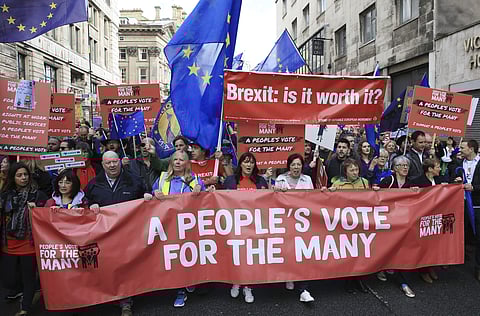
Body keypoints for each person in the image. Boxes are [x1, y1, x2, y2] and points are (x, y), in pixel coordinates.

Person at [147, 150, 213, 308]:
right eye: (174, 159)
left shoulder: (195, 179)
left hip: (188, 225)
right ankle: (180, 290)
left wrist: (205, 191)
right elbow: (152, 197)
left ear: (186, 163)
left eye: (181, 160)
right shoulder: (162, 178)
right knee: (175, 258)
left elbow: (206, 200)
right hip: (169, 225)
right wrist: (153, 193)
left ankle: (188, 281)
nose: (177, 162)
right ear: (171, 162)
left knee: (188, 256)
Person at [85, 151, 145, 316]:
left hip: (128, 233)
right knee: (109, 267)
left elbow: (145, 199)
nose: (112, 165)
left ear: (120, 162)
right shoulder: (93, 184)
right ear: (103, 164)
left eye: (114, 162)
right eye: (108, 163)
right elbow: (84, 205)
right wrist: (90, 207)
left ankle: (126, 301)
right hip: (104, 235)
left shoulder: (134, 180)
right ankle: (106, 296)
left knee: (125, 267)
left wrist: (148, 198)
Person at [1, 162, 48, 316]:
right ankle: (23, 290)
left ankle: (25, 307)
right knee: (9, 279)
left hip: (29, 243)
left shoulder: (37, 194)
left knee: (28, 277)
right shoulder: (6, 194)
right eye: (19, 175)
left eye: (26, 174)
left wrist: (38, 208)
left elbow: (47, 213)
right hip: (9, 242)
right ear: (13, 177)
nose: (23, 178)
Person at [223, 153, 268, 303]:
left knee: (250, 256)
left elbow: (268, 200)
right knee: (236, 255)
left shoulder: (261, 180)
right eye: (246, 162)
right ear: (240, 164)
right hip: (235, 224)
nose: (248, 165)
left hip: (254, 225)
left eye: (251, 162)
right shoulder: (230, 181)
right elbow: (221, 199)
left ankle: (248, 285)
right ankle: (236, 281)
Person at [274, 153, 315, 303]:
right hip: (285, 222)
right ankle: (288, 276)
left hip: (303, 223)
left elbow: (313, 199)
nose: (296, 167)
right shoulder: (280, 179)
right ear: (288, 166)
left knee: (303, 253)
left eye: (298, 164)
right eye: (293, 164)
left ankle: (303, 289)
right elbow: (274, 199)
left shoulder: (307, 179)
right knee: (288, 251)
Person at [377, 155, 416, 298]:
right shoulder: (388, 181)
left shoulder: (412, 183)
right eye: (402, 165)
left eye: (407, 165)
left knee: (403, 251)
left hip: (404, 223)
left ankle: (404, 283)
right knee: (386, 247)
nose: (405, 167)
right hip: (388, 221)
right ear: (395, 168)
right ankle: (382, 267)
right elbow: (374, 197)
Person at [450, 140, 480, 280]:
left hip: (477, 205)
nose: (459, 149)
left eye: (462, 147)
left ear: (471, 149)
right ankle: (459, 257)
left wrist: (474, 187)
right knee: (461, 231)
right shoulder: (458, 163)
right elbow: (451, 178)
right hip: (460, 204)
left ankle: (478, 267)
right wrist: (455, 181)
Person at [410, 158, 442, 284]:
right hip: (422, 217)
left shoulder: (439, 180)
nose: (440, 169)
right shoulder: (417, 181)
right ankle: (423, 270)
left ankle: (431, 267)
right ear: (430, 169)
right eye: (437, 166)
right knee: (424, 244)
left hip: (436, 216)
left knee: (434, 244)